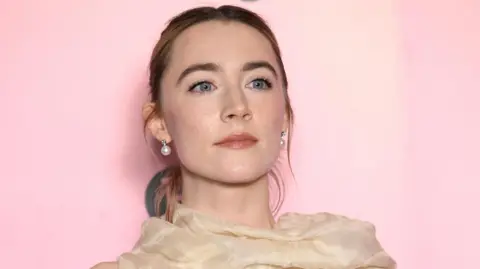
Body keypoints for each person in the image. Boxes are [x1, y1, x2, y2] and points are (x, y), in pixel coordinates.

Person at [92, 5, 396, 269]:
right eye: (203, 86)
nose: (237, 107)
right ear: (160, 123)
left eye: (258, 83)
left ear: (285, 116)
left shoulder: (354, 259)